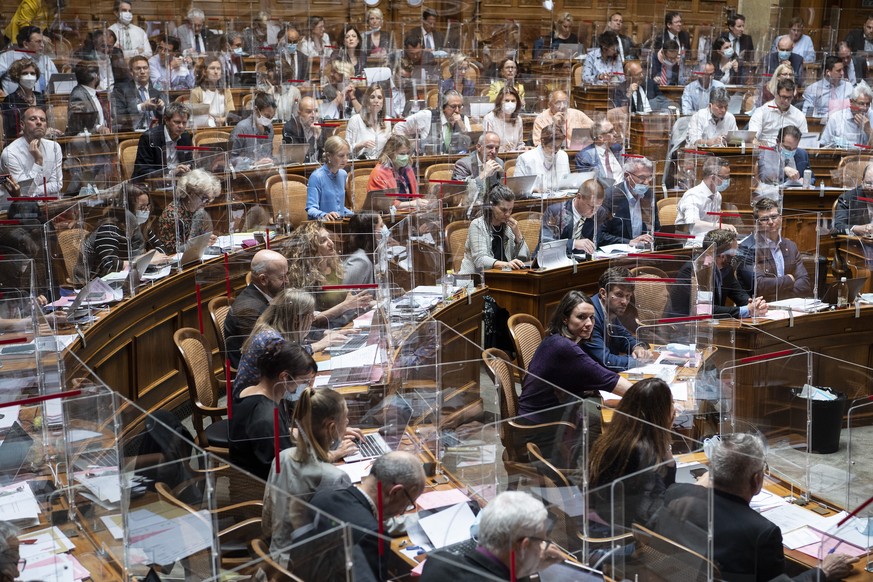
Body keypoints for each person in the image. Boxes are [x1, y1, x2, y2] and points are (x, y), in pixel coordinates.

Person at [650, 433, 858, 582]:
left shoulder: (675, 493)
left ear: (712, 469)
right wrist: (823, 572)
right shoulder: (761, 532)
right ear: (757, 479)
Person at [517, 291, 632, 460]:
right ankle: (580, 480)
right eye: (581, 317)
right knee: (613, 436)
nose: (588, 323)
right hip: (540, 427)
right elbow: (607, 378)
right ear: (565, 319)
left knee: (602, 424)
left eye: (592, 318)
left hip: (554, 414)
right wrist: (654, 396)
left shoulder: (560, 340)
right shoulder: (564, 348)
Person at [263, 387, 356, 559]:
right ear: (331, 427)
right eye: (346, 418)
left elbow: (267, 519)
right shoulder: (336, 478)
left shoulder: (282, 457)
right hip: (307, 566)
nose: (348, 422)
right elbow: (351, 533)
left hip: (277, 555)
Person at [308, 452, 426, 581]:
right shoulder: (372, 536)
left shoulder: (323, 497)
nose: (402, 511)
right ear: (395, 492)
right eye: (408, 504)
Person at [586, 378, 674, 527]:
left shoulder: (617, 437)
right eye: (671, 403)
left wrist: (664, 438)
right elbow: (652, 510)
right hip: (626, 533)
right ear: (659, 414)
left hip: (606, 516)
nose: (674, 408)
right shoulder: (644, 452)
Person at [420, 491, 565, 581]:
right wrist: (525, 566)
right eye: (541, 541)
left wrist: (524, 566)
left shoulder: (437, 562)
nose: (542, 547)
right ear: (523, 546)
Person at [233, 289, 346, 399]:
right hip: (253, 403)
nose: (312, 319)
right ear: (297, 319)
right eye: (310, 316)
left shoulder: (275, 329)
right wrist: (318, 345)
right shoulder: (271, 339)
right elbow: (292, 366)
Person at [230, 339, 317, 480]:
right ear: (284, 377)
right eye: (304, 382)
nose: (308, 387)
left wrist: (320, 433)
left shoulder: (251, 392)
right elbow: (287, 472)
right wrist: (331, 455)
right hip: (266, 491)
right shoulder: (266, 416)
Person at [665, 228, 768, 319]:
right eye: (734, 251)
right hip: (682, 328)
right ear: (722, 256)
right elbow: (704, 309)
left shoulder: (726, 269)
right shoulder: (693, 271)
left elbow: (739, 294)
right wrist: (745, 310)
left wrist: (754, 304)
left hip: (710, 325)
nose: (736, 254)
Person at [284, 222, 373, 325]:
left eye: (329, 238)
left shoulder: (335, 268)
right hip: (324, 332)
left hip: (346, 325)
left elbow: (348, 302)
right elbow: (310, 320)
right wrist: (346, 305)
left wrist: (368, 302)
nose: (331, 243)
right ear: (310, 248)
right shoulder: (304, 278)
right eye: (323, 241)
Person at [76, 186, 167, 280]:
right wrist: (147, 260)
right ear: (127, 208)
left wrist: (148, 257)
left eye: (148, 206)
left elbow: (161, 248)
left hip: (126, 277)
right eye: (141, 207)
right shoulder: (109, 228)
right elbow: (110, 265)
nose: (146, 211)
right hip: (99, 284)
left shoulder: (141, 225)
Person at [736, 198, 811, 301]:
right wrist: (789, 279)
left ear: (780, 218)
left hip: (790, 305)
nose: (771, 222)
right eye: (765, 219)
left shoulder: (790, 246)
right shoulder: (747, 248)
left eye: (774, 217)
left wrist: (781, 296)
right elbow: (759, 286)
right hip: (761, 309)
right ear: (757, 223)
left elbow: (805, 283)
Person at [224, 249, 289, 368]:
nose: (287, 281)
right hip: (256, 378)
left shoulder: (269, 296)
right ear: (263, 279)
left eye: (286, 275)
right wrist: (311, 347)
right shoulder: (248, 310)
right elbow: (269, 352)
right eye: (281, 277)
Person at [585, 267, 653, 371]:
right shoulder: (590, 317)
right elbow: (606, 361)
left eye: (628, 296)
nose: (625, 302)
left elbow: (624, 338)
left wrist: (638, 348)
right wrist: (639, 361)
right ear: (603, 293)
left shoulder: (609, 310)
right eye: (619, 295)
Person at [459, 184, 530, 274]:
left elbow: (526, 258)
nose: (508, 214)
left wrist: (518, 235)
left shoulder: (509, 227)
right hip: (475, 280)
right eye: (503, 210)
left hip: (500, 277)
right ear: (491, 206)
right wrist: (506, 264)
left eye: (510, 209)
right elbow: (480, 260)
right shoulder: (477, 225)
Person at [0, 106, 62, 197]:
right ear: (22, 125)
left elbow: (57, 184)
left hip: (44, 204)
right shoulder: (10, 153)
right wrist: (38, 161)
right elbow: (23, 193)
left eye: (42, 120)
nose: (39, 122)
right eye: (33, 119)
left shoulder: (54, 147)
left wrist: (35, 191)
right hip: (13, 207)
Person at [156, 168, 219, 252]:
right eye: (204, 198)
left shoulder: (197, 211)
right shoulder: (172, 214)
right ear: (190, 192)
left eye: (209, 200)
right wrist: (201, 243)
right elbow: (172, 250)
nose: (206, 204)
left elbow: (197, 238)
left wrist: (208, 239)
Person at [540, 178, 608, 256]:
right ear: (578, 197)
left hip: (582, 262)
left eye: (597, 207)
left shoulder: (599, 213)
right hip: (553, 260)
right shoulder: (555, 211)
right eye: (591, 206)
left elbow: (599, 238)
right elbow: (546, 244)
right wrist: (573, 243)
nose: (594, 211)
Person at [602, 156, 659, 246]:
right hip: (617, 253)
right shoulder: (610, 197)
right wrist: (629, 242)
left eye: (649, 177)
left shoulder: (649, 195)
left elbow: (656, 229)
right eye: (642, 177)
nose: (647, 182)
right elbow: (600, 236)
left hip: (644, 251)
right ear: (627, 176)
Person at [395, 90, 472, 154]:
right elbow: (399, 127)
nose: (457, 110)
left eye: (460, 106)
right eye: (453, 106)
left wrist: (461, 125)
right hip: (427, 163)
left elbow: (469, 145)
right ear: (443, 106)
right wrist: (408, 149)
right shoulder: (427, 116)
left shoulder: (464, 119)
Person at [132, 101, 193, 179]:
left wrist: (187, 167)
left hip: (178, 181)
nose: (181, 126)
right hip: (154, 183)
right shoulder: (149, 138)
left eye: (184, 123)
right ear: (166, 120)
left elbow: (190, 161)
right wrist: (171, 172)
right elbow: (142, 170)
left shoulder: (185, 136)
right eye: (177, 122)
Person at [366, 134, 427, 212]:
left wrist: (422, 203)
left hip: (409, 213)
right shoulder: (379, 173)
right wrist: (411, 204)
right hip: (389, 216)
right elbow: (381, 204)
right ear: (390, 153)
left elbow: (414, 196)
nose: (406, 157)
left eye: (408, 153)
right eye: (402, 154)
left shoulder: (408, 169)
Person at [676, 157, 734, 233]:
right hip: (688, 240)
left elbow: (714, 224)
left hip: (707, 239)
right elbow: (692, 224)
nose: (727, 181)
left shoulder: (717, 195)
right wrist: (720, 226)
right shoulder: (693, 196)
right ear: (712, 177)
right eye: (725, 177)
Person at [111, 55, 165, 132]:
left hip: (155, 133)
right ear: (131, 72)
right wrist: (142, 107)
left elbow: (169, 116)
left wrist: (162, 108)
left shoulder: (156, 92)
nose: (142, 72)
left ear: (149, 70)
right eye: (138, 68)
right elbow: (118, 114)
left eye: (145, 68)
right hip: (132, 134)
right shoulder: (121, 90)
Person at [0, 26, 59, 95]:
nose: (42, 45)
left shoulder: (46, 60)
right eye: (38, 42)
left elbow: (57, 82)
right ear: (25, 44)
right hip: (15, 103)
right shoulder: (8, 57)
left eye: (43, 42)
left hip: (43, 102)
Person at [306, 135, 354, 221]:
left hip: (339, 223)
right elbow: (311, 209)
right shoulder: (316, 177)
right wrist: (325, 215)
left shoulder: (343, 174)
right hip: (322, 225)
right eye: (341, 156)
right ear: (328, 156)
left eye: (347, 155)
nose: (345, 159)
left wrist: (355, 216)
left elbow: (340, 208)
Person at [749, 78, 807, 147]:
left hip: (790, 152)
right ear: (776, 94)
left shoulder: (799, 115)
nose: (786, 101)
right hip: (767, 152)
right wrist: (757, 143)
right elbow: (752, 137)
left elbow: (804, 142)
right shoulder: (762, 111)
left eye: (789, 98)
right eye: (783, 97)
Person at [453, 131, 504, 209]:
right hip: (469, 209)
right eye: (490, 147)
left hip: (490, 209)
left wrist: (502, 177)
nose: (494, 151)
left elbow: (500, 192)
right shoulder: (463, 164)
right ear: (478, 147)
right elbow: (460, 195)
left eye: (497, 148)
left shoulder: (499, 162)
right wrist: (484, 174)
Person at [514, 124, 570, 193]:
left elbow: (567, 183)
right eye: (552, 146)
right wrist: (533, 190)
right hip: (535, 201)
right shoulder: (525, 159)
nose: (555, 150)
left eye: (559, 146)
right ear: (543, 142)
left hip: (559, 200)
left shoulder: (563, 156)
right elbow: (517, 188)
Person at [1, 58, 47, 141]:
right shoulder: (10, 100)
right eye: (25, 73)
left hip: (42, 140)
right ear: (17, 76)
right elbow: (11, 131)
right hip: (19, 142)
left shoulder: (40, 97)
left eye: (32, 73)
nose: (29, 77)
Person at [820, 81, 873, 148]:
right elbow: (823, 145)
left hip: (865, 158)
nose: (865, 108)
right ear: (851, 102)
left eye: (867, 104)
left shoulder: (871, 116)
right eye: (861, 104)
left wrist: (869, 130)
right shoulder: (836, 118)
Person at [346, 84, 392, 160]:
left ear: (383, 102)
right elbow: (346, 149)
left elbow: (388, 149)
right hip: (360, 165)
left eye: (379, 98)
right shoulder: (355, 120)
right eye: (372, 97)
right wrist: (360, 145)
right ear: (367, 100)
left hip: (381, 165)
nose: (376, 101)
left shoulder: (387, 121)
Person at [230, 91, 276, 166]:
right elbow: (231, 158)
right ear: (256, 110)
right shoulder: (241, 128)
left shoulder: (270, 128)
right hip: (246, 173)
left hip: (266, 170)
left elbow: (269, 155)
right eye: (267, 116)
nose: (269, 120)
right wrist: (253, 163)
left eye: (272, 117)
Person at [66, 62, 111, 136]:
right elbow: (77, 125)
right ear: (96, 76)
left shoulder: (92, 93)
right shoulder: (78, 95)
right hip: (89, 143)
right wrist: (98, 128)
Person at [190, 56, 236, 127]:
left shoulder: (226, 91)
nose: (216, 72)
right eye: (212, 68)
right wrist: (221, 120)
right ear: (204, 72)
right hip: (204, 130)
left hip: (223, 128)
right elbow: (196, 119)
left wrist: (215, 120)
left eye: (218, 68)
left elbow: (232, 116)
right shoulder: (196, 92)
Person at [574, 117, 622, 183]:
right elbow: (589, 184)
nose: (615, 133)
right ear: (600, 137)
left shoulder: (617, 148)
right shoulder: (585, 156)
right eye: (611, 131)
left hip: (623, 190)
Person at [343, 213, 383, 286]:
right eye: (381, 226)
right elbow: (343, 293)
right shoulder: (360, 261)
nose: (384, 229)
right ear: (371, 231)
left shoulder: (368, 254)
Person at [833, 163, 873, 236]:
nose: (872, 188)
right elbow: (837, 227)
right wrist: (857, 229)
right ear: (862, 181)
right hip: (858, 243)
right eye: (868, 183)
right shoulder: (847, 198)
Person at [283, 96, 326, 163]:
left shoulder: (321, 123)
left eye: (316, 111)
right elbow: (300, 159)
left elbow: (325, 150)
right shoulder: (290, 128)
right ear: (299, 114)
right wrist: (315, 136)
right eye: (309, 112)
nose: (314, 115)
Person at [483, 87, 523, 152]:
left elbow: (520, 144)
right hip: (496, 157)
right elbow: (488, 145)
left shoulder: (518, 119)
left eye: (513, 101)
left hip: (513, 157)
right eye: (507, 100)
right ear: (500, 102)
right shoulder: (489, 118)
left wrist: (522, 148)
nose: (510, 103)